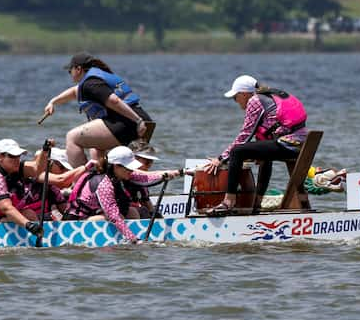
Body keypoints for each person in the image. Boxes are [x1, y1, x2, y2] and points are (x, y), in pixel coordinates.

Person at [199, 75, 308, 215]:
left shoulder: (254, 101)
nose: (236, 101)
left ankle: (228, 202)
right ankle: (257, 202)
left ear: (244, 94)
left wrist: (220, 159)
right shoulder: (268, 97)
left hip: (289, 145)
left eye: (235, 97)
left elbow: (245, 135)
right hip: (298, 144)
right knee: (263, 157)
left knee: (237, 152)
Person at [40, 53, 153, 166]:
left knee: (72, 137)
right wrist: (53, 102)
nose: (70, 74)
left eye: (70, 71)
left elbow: (114, 101)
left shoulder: (90, 83)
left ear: (78, 69)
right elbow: (74, 92)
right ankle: (103, 179)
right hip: (142, 121)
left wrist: (138, 121)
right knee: (95, 149)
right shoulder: (95, 79)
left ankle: (81, 180)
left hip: (130, 123)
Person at [63, 146, 184, 242]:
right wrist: (134, 240)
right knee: (110, 217)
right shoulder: (104, 184)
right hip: (75, 222)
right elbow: (114, 217)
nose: (131, 171)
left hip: (93, 213)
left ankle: (131, 237)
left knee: (131, 211)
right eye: (129, 168)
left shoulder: (119, 173)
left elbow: (147, 177)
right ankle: (128, 238)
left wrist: (181, 172)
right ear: (116, 166)